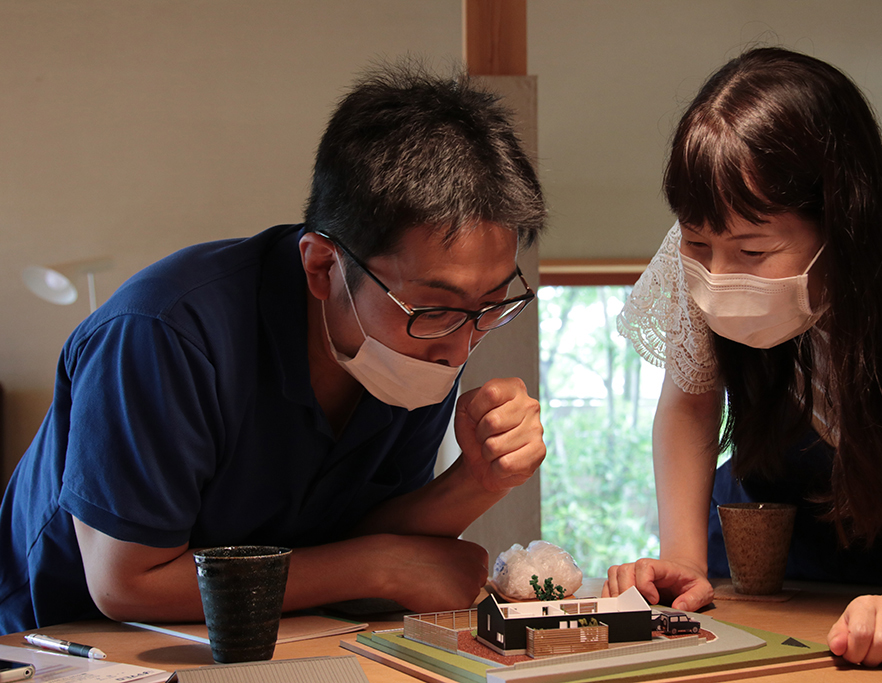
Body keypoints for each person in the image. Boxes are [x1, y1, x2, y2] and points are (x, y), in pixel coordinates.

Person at [0, 63, 547, 635]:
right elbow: (127, 582)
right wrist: (375, 569)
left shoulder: (415, 342)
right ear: (320, 266)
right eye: (434, 307)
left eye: (489, 305)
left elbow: (367, 532)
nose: (459, 347)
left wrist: (479, 479)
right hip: (68, 645)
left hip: (270, 640)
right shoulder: (165, 333)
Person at [606, 47, 882, 667]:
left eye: (753, 254)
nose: (717, 277)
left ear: (847, 223)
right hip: (760, 586)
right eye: (697, 243)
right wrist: (685, 561)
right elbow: (690, 404)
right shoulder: (711, 241)